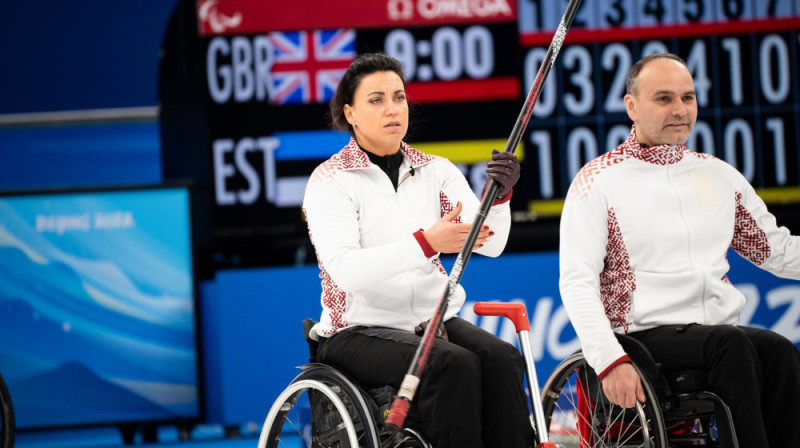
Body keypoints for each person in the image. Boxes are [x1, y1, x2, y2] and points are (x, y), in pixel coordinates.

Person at [559, 52, 800, 447]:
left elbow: (777, 251)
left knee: (779, 351)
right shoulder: (598, 180)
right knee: (733, 345)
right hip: (640, 335)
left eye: (688, 98)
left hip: (712, 334)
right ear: (631, 106)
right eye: (664, 98)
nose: (680, 110)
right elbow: (577, 281)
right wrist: (608, 360)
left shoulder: (718, 175)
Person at [302, 52, 533, 448]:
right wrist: (426, 243)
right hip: (355, 331)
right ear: (350, 113)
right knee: (451, 364)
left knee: (503, 359)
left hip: (429, 321)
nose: (392, 109)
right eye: (376, 100)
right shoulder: (332, 181)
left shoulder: (435, 170)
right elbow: (346, 270)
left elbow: (490, 242)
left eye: (399, 97)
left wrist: (500, 197)